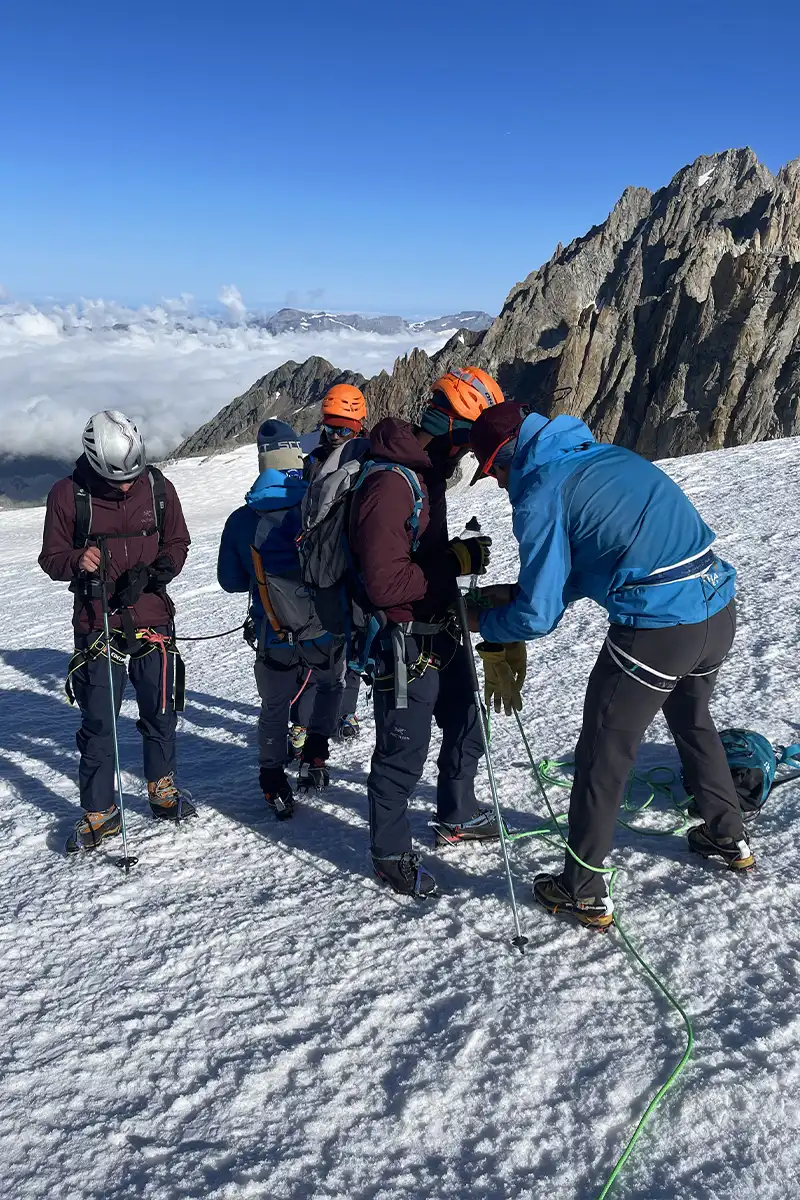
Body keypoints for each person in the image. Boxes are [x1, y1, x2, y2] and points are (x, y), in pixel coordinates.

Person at [467, 401, 750, 929]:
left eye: (495, 472)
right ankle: (726, 833)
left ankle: (582, 888)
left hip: (659, 627)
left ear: (507, 455)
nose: (500, 485)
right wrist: (515, 597)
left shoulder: (539, 490)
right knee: (693, 721)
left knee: (604, 747)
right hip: (717, 606)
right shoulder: (604, 456)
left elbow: (538, 613)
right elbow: (596, 556)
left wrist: (487, 624)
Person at [348, 366, 505, 898]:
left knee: (467, 721)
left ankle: (456, 814)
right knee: (402, 750)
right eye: (472, 438)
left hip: (440, 627)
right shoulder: (390, 483)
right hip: (403, 639)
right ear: (454, 427)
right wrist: (455, 562)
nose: (475, 454)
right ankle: (390, 853)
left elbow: (416, 556)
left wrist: (449, 560)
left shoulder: (424, 472)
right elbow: (385, 582)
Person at [38, 409, 193, 852]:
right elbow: (51, 558)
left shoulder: (159, 489)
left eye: (132, 475)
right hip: (97, 620)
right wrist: (76, 561)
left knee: (159, 710)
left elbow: (177, 542)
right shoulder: (68, 495)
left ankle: (161, 791)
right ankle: (100, 812)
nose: (126, 484)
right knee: (100, 720)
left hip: (152, 617)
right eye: (116, 478)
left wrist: (160, 569)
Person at [217, 419, 345, 817]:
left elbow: (231, 582)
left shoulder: (242, 521)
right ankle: (316, 756)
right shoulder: (320, 506)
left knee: (274, 706)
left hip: (273, 634)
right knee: (329, 685)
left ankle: (273, 780)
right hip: (323, 629)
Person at [289, 384, 369, 750]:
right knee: (318, 644)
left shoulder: (369, 459)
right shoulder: (313, 462)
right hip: (320, 565)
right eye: (331, 427)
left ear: (359, 426)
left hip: (352, 562)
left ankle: (345, 712)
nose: (335, 435)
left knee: (351, 641)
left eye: (344, 429)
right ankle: (304, 721)